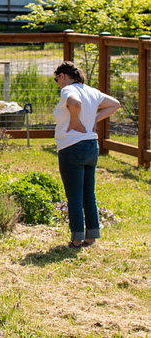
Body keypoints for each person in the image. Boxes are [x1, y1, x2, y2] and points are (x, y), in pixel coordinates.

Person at [53, 61, 120, 248]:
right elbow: (114, 104)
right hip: (91, 146)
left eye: (56, 79)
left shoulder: (67, 90)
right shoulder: (92, 91)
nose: (57, 83)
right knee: (88, 194)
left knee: (74, 195)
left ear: (63, 76)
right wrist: (95, 120)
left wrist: (74, 121)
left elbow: (75, 103)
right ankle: (91, 237)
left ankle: (76, 239)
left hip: (71, 147)